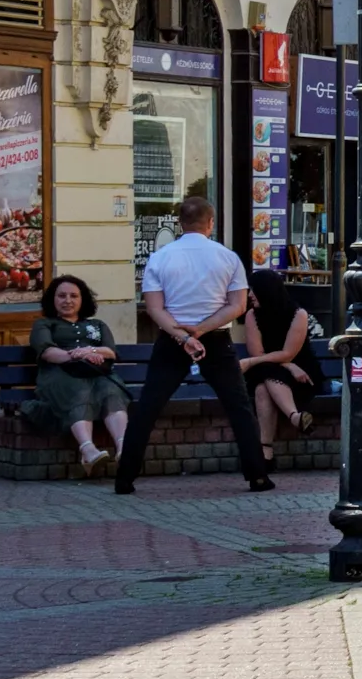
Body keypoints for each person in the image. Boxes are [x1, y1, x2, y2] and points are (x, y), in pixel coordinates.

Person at [113, 193, 275, 495]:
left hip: (173, 339)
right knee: (239, 407)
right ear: (210, 222)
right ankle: (257, 476)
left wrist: (184, 336)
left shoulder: (160, 257)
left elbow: (154, 308)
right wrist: (200, 330)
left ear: (180, 223)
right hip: (214, 338)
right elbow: (237, 306)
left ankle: (125, 479)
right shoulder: (228, 257)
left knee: (148, 406)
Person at [27, 277, 128, 475]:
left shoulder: (98, 325)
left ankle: (124, 448)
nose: (68, 300)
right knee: (78, 390)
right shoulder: (44, 324)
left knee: (111, 390)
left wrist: (91, 351)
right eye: (62, 296)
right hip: (59, 374)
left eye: (74, 296)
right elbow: (47, 352)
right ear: (52, 300)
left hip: (97, 373)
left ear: (83, 300)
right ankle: (88, 450)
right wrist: (75, 355)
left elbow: (110, 352)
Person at [239, 270, 320, 455]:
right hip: (272, 368)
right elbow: (258, 352)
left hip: (302, 374)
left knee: (264, 382)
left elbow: (289, 353)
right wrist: (288, 364)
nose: (250, 295)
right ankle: (294, 417)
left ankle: (265, 452)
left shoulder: (298, 314)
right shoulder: (252, 315)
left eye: (254, 290)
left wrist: (251, 362)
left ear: (267, 291)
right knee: (263, 380)